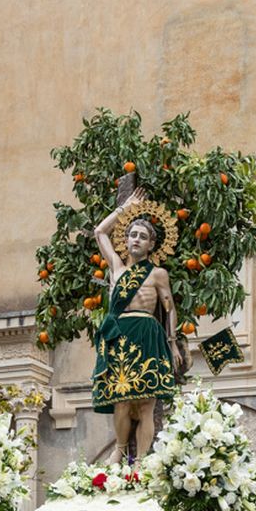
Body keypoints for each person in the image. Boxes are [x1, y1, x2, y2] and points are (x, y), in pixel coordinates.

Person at [89, 189, 183, 462]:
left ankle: (141, 462)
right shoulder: (116, 268)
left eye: (143, 237)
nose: (137, 240)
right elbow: (99, 233)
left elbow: (169, 308)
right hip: (120, 336)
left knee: (146, 403)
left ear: (151, 245)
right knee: (121, 400)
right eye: (133, 234)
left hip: (147, 335)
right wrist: (124, 209)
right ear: (127, 239)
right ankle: (119, 450)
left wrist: (172, 343)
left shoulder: (158, 274)